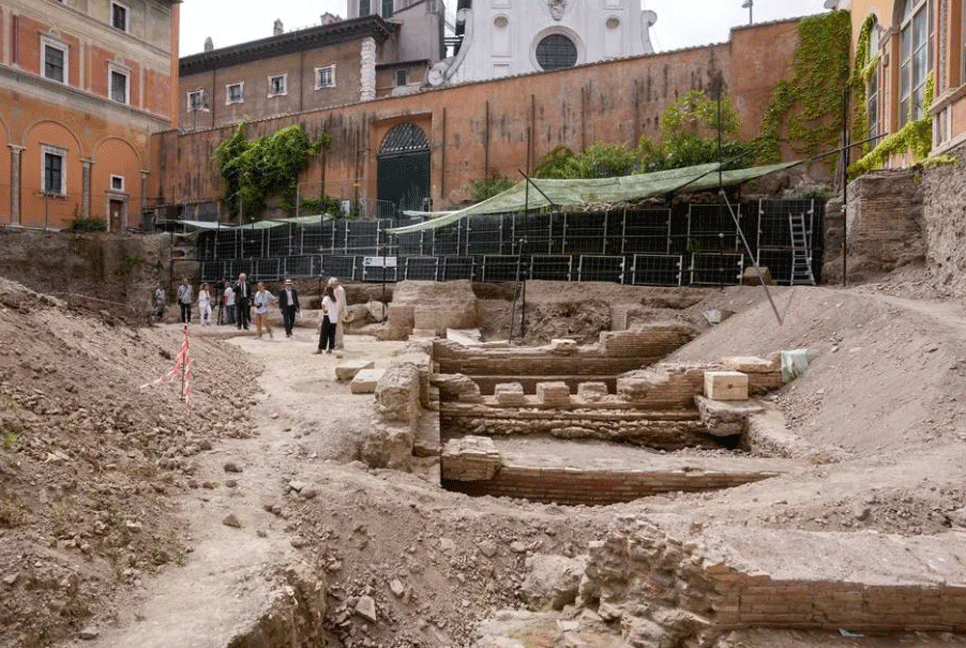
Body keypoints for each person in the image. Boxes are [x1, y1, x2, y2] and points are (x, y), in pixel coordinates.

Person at [316, 285, 340, 354]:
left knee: (324, 333)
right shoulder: (335, 299)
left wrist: (324, 310)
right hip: (334, 318)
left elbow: (323, 305)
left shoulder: (326, 298)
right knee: (332, 334)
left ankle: (320, 348)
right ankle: (330, 349)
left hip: (328, 317)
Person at [328, 276, 348, 349]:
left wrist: (336, 312)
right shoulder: (333, 289)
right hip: (333, 311)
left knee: (338, 328)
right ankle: (335, 342)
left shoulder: (340, 290)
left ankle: (339, 343)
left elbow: (340, 302)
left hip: (338, 312)